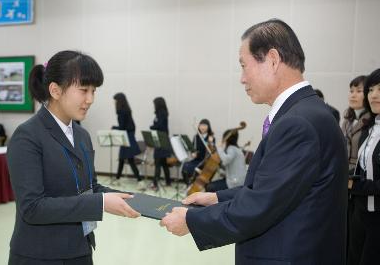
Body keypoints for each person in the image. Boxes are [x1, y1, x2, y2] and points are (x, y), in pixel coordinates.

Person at [160, 19, 348, 265]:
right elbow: (274, 187)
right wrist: (216, 198)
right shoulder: (306, 112)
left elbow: (260, 206)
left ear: (272, 60)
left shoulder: (298, 124)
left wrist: (190, 221)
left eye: (243, 66)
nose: (241, 79)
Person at [7, 50, 140, 265]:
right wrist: (101, 203)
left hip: (80, 250)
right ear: (55, 90)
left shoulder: (82, 135)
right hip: (40, 256)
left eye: (94, 91)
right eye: (83, 90)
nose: (90, 99)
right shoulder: (27, 136)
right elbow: (32, 208)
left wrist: (136, 200)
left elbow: (90, 187)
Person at [348, 68, 380, 265]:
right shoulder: (370, 129)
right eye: (371, 90)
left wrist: (355, 186)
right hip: (359, 213)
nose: (374, 95)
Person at [112, 92, 145, 190]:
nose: (114, 103)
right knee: (122, 159)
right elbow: (132, 126)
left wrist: (114, 127)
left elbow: (122, 127)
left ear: (119, 101)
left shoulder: (121, 112)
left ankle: (140, 181)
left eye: (115, 101)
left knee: (130, 160)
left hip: (127, 137)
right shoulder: (127, 110)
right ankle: (117, 179)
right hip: (129, 136)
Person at [342, 75, 370, 173]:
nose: (353, 95)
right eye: (351, 91)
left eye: (359, 91)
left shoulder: (372, 121)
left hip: (361, 173)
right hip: (344, 171)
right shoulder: (346, 121)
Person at [181, 119, 214, 185]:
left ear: (208, 127)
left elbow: (212, 152)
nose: (202, 127)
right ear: (198, 126)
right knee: (184, 166)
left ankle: (195, 184)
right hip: (197, 160)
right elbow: (193, 149)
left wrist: (211, 142)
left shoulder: (211, 138)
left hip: (205, 162)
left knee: (195, 169)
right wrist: (193, 153)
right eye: (201, 125)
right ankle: (188, 185)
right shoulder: (196, 137)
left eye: (205, 125)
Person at [150, 97, 171, 190]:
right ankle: (168, 181)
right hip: (162, 139)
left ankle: (155, 184)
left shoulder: (161, 112)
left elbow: (160, 126)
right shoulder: (162, 112)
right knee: (163, 162)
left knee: (158, 162)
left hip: (161, 140)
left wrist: (152, 126)